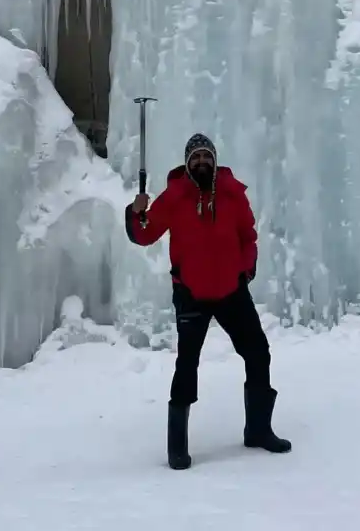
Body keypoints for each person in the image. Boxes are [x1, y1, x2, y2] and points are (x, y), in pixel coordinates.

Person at [125, 132, 291, 470]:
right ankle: (177, 447)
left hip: (231, 290)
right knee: (187, 365)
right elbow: (144, 233)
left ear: (214, 160)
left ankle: (258, 430)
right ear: (188, 164)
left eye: (206, 156)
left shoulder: (233, 195)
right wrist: (135, 211)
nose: (202, 162)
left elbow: (248, 237)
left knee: (258, 352)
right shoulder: (174, 197)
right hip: (191, 292)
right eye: (195, 158)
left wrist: (245, 271)